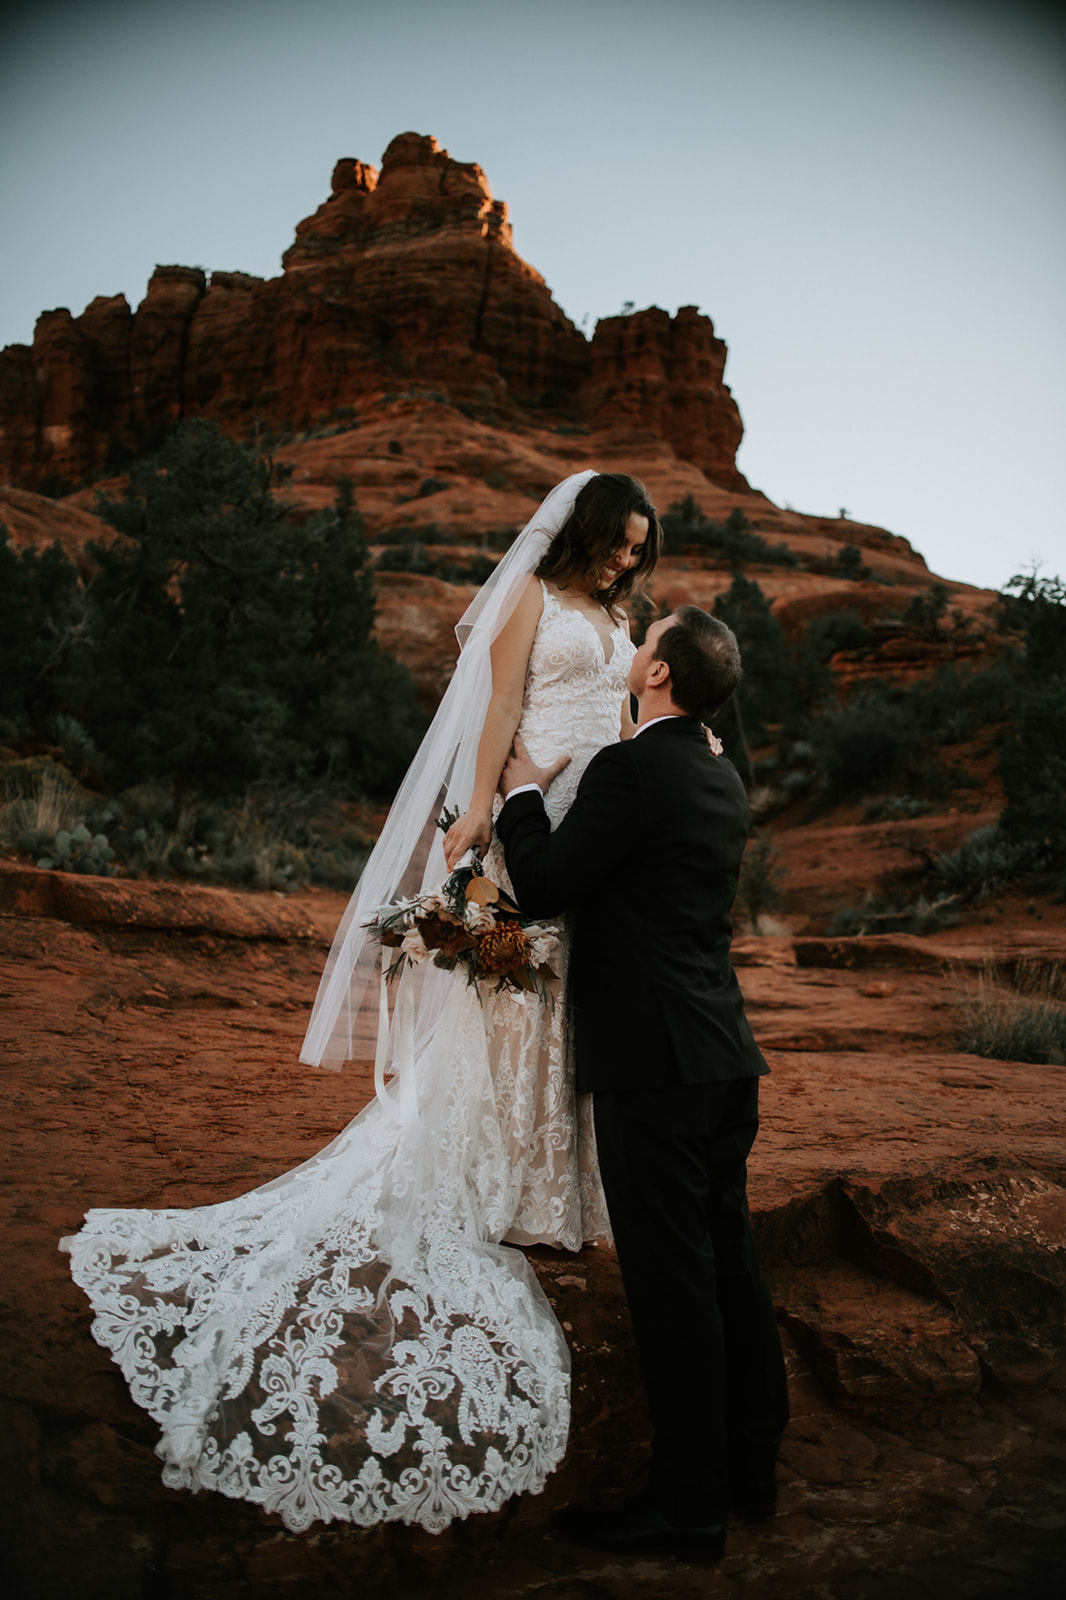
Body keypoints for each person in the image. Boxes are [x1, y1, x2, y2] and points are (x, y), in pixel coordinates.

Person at [60, 470, 662, 1536]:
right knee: (509, 1000)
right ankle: (495, 1184)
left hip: (593, 822)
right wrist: (477, 812)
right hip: (527, 812)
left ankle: (554, 1186)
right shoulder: (530, 596)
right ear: (580, 533)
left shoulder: (625, 618)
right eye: (615, 543)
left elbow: (623, 712)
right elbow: (493, 706)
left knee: (561, 1007)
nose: (625, 560)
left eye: (638, 548)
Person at [497, 604, 790, 1561]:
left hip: (652, 1067)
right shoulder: (720, 776)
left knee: (673, 1288)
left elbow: (544, 885)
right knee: (730, 1266)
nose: (633, 645)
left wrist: (524, 796)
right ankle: (755, 1471)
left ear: (658, 675)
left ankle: (688, 1507)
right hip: (722, 1055)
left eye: (646, 640)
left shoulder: (631, 771)